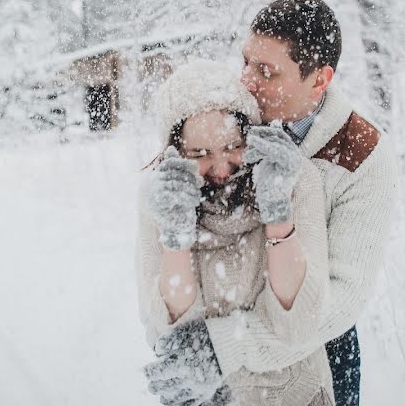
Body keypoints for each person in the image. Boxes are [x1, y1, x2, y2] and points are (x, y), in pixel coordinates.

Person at [145, 0, 398, 405]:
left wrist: (225, 348)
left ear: (319, 79)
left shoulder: (362, 155)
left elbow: (342, 299)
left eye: (266, 71)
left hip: (316, 351)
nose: (246, 80)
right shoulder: (238, 115)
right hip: (216, 326)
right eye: (246, 61)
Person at [137, 60, 336, 405]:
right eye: (199, 153)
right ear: (175, 152)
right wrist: (177, 231)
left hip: (295, 394)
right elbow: (168, 329)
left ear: (251, 133)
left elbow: (300, 318)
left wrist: (277, 211)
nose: (220, 168)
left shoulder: (294, 177)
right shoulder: (160, 195)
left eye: (233, 147)